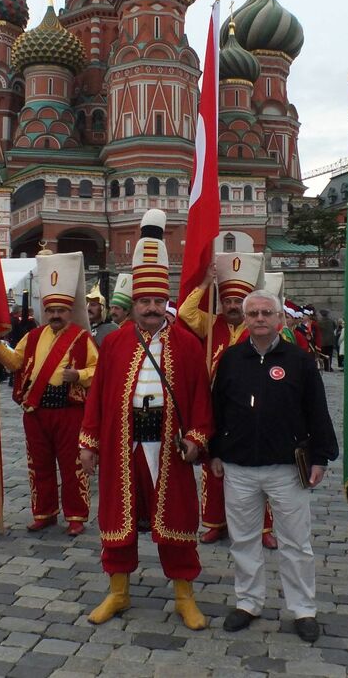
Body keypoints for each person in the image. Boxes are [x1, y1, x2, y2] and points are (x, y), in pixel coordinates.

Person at [80, 210, 213, 631]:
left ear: (166, 302)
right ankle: (118, 592)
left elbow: (199, 398)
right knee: (117, 515)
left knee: (176, 515)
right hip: (124, 443)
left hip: (168, 447)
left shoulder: (188, 345)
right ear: (134, 304)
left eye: (158, 302)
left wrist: (196, 438)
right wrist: (88, 443)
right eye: (144, 302)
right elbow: (98, 397)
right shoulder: (116, 342)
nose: (152, 308)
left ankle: (183, 597)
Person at [210, 290, 338, 643]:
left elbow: (317, 410)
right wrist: (216, 451)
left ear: (280, 319)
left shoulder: (299, 360)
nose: (260, 318)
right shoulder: (232, 359)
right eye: (254, 313)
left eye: (267, 312)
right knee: (244, 539)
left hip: (286, 467)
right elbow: (218, 409)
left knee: (296, 543)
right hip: (239, 465)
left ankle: (303, 608)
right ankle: (248, 601)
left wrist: (321, 456)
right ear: (246, 320)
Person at [178, 253, 277, 549]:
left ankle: (265, 528)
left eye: (238, 302)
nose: (233, 306)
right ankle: (214, 523)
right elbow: (185, 312)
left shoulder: (258, 328)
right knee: (213, 470)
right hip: (217, 411)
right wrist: (207, 282)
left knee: (262, 472)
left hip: (255, 411)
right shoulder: (211, 324)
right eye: (229, 301)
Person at [0, 251, 97, 536]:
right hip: (37, 411)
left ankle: (76, 516)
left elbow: (98, 371)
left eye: (60, 311)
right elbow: (16, 362)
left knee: (71, 465)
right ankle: (44, 512)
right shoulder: (34, 336)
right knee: (38, 465)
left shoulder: (82, 337)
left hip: (68, 411)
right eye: (51, 310)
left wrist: (78, 375)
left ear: (69, 311)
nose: (55, 315)